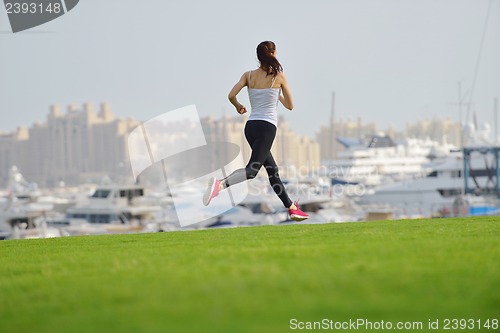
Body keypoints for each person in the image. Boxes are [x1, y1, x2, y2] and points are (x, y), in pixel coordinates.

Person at [203, 41, 309, 221]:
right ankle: (220, 185)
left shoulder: (249, 75)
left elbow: (231, 95)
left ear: (258, 56)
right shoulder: (279, 77)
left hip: (250, 126)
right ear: (273, 54)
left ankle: (291, 207)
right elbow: (290, 106)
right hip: (267, 127)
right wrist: (277, 93)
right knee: (252, 171)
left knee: (272, 170)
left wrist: (238, 106)